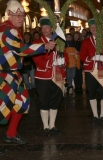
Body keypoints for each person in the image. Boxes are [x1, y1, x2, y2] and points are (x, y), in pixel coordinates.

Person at [0, 0, 56, 148]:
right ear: (10, 14)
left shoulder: (11, 28)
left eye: (23, 15)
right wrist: (44, 46)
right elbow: (21, 49)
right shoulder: (7, 29)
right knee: (2, 108)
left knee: (22, 101)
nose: (21, 18)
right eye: (18, 15)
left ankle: (10, 134)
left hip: (13, 74)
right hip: (4, 75)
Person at [33, 17, 66, 136]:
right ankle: (45, 127)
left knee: (55, 102)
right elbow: (37, 59)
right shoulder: (37, 42)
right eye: (43, 28)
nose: (45, 30)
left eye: (47, 28)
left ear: (52, 29)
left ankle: (52, 125)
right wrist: (51, 63)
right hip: (43, 77)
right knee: (44, 102)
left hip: (57, 76)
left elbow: (64, 55)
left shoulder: (59, 41)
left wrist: (63, 62)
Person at [80, 18, 103, 125]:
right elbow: (82, 56)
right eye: (92, 27)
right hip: (90, 70)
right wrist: (91, 58)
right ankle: (95, 115)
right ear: (90, 29)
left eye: (95, 27)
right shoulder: (85, 41)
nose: (94, 29)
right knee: (92, 92)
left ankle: (102, 115)